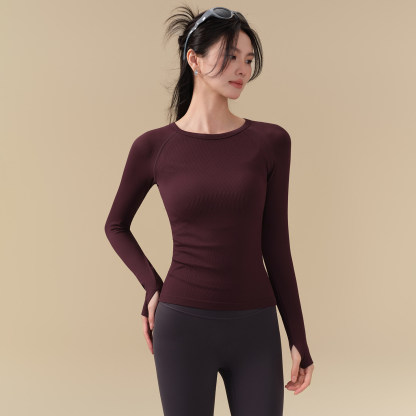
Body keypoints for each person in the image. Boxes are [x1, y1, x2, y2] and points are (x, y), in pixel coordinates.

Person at [104, 5, 315, 416]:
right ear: (194, 59)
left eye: (248, 59)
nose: (242, 69)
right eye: (231, 56)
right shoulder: (154, 147)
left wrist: (298, 337)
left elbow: (276, 246)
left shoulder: (271, 142)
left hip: (255, 327)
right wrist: (151, 285)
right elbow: (116, 225)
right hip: (182, 327)